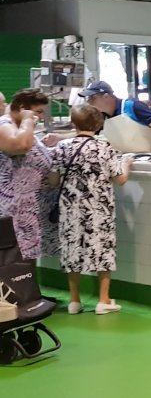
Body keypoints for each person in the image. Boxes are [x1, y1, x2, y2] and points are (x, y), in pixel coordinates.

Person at [54, 104, 133, 315]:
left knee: (72, 251)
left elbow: (53, 180)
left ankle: (74, 301)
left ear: (73, 123)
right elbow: (121, 179)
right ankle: (103, 300)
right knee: (102, 251)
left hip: (70, 209)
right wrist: (126, 164)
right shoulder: (105, 147)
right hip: (99, 210)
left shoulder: (62, 147)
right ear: (99, 124)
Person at [0, 89, 55, 264]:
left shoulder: (22, 126)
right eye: (37, 111)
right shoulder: (4, 124)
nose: (39, 116)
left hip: (30, 210)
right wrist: (27, 118)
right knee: (13, 264)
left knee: (25, 264)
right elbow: (21, 145)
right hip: (13, 210)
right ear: (23, 108)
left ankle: (27, 292)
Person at [81, 81, 151, 145]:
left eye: (92, 98)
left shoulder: (132, 106)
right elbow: (87, 133)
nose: (89, 102)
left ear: (106, 96)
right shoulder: (102, 116)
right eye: (88, 99)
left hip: (150, 158)